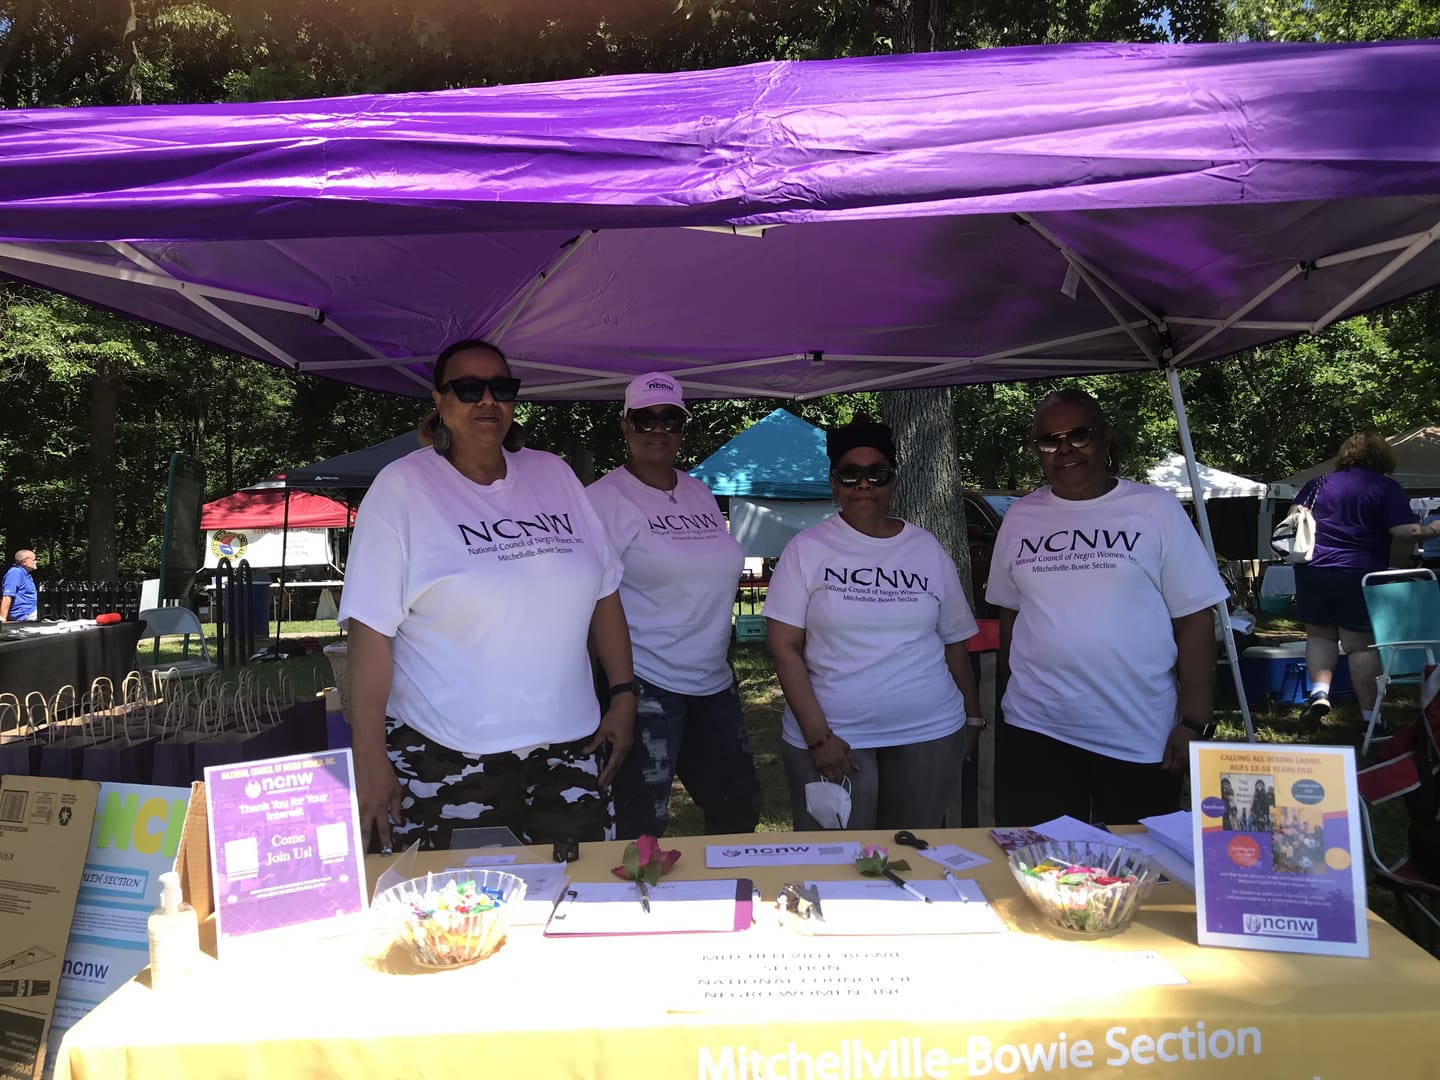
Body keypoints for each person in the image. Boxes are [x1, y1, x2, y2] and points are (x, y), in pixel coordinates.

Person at [339, 339, 636, 852]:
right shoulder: (402, 489)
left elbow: (604, 592)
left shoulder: (555, 475)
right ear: (439, 401)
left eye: (501, 388)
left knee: (580, 911)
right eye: (469, 388)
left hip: (569, 752)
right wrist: (369, 755)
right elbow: (369, 632)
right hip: (447, 757)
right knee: (459, 925)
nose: (487, 401)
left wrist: (624, 696)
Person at [987, 388, 1229, 826]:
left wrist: (1195, 721)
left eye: (1079, 435)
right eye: (1049, 440)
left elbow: (1195, 618)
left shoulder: (1154, 509)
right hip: (1038, 727)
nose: (1064, 450)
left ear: (1105, 439)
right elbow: (1011, 614)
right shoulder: (1020, 517)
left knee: (1141, 871)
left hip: (1138, 732)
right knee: (1045, 868)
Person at [763, 416, 983, 831]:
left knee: (913, 859)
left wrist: (972, 717)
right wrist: (819, 737)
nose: (864, 485)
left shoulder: (925, 548)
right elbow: (783, 647)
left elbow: (953, 640)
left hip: (928, 732)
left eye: (876, 474)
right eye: (850, 474)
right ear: (833, 483)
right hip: (835, 740)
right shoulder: (807, 550)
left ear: (893, 481)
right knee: (836, 869)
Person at [586, 373, 760, 838]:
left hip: (713, 681)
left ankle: (729, 906)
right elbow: (588, 601)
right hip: (646, 682)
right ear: (625, 426)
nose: (657, 429)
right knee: (640, 827)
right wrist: (608, 690)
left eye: (669, 419)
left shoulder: (698, 490)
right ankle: (638, 909)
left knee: (738, 810)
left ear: (683, 427)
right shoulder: (601, 501)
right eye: (644, 419)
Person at [1292, 432, 1440, 727]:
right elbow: (1404, 531)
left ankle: (1319, 692)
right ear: (1383, 457)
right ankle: (1371, 716)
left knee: (1320, 636)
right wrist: (1434, 528)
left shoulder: (1317, 483)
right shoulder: (1386, 487)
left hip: (1312, 571)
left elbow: (1295, 517)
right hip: (1358, 573)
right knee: (1359, 647)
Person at [0, 550, 37, 622]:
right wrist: (2, 618)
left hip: (32, 611)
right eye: (33, 560)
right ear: (24, 562)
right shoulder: (15, 573)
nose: (36, 562)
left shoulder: (26, 574)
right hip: (24, 614)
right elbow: (7, 596)